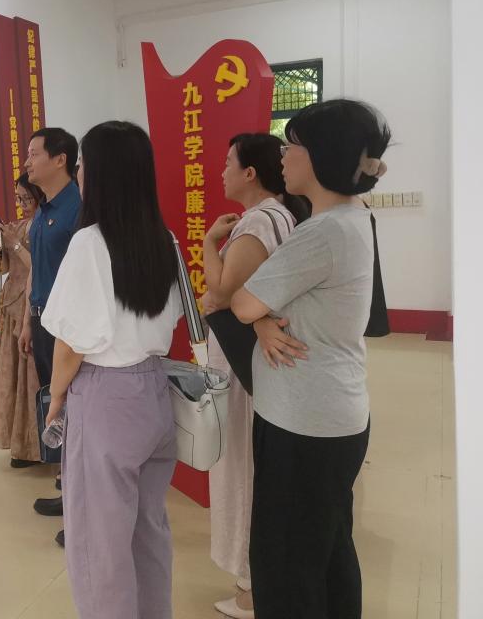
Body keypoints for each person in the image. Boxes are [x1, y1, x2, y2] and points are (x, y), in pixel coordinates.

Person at [231, 99, 391, 619]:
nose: (283, 154)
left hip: (302, 425)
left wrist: (256, 317)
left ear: (321, 156)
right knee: (328, 552)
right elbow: (260, 309)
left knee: (285, 569)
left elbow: (242, 302)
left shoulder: (321, 232)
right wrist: (261, 321)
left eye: (292, 145)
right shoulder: (353, 217)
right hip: (333, 415)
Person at [42, 120, 182, 619]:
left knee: (100, 544)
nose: (79, 173)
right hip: (154, 392)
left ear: (101, 174)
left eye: (83, 164)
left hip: (105, 399)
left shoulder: (89, 243)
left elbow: (70, 346)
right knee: (148, 530)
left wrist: (57, 400)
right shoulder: (163, 239)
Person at [200, 133, 309, 619]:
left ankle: (250, 585)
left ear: (249, 173)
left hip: (244, 367)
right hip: (258, 365)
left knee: (240, 470)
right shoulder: (279, 217)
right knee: (248, 467)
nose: (221, 171)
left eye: (228, 162)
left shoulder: (258, 222)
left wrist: (209, 243)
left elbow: (223, 294)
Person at [19, 127, 80, 528]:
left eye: (34, 153)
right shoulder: (43, 209)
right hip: (42, 319)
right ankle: (64, 484)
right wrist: (29, 320)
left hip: (68, 326)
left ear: (60, 159)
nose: (27, 162)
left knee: (71, 404)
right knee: (53, 403)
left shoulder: (79, 209)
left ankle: (78, 494)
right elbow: (36, 271)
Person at [0, 174, 44, 467]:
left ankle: (35, 447)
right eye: (19, 198)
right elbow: (4, 268)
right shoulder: (21, 226)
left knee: (30, 378)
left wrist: (13, 245)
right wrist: (1, 245)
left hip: (30, 306)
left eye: (27, 198)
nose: (22, 204)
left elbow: (39, 265)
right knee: (12, 377)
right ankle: (19, 443)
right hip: (11, 303)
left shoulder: (44, 225)